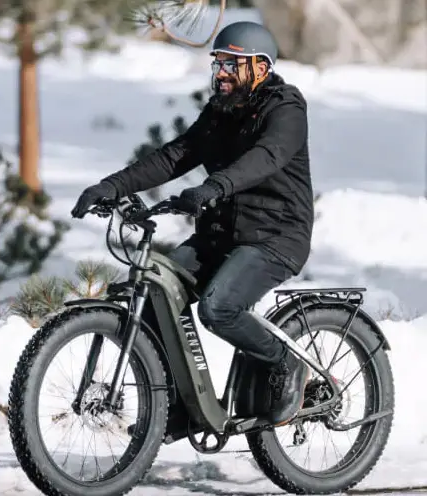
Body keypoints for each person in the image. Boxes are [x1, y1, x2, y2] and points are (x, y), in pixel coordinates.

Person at [71, 21, 314, 426]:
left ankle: (284, 362)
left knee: (219, 308)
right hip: (222, 236)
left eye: (230, 64)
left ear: (259, 68)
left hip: (276, 236)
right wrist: (111, 186)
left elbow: (266, 158)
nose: (220, 72)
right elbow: (174, 156)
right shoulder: (221, 111)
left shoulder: (286, 109)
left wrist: (215, 186)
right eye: (218, 62)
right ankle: (180, 410)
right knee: (155, 299)